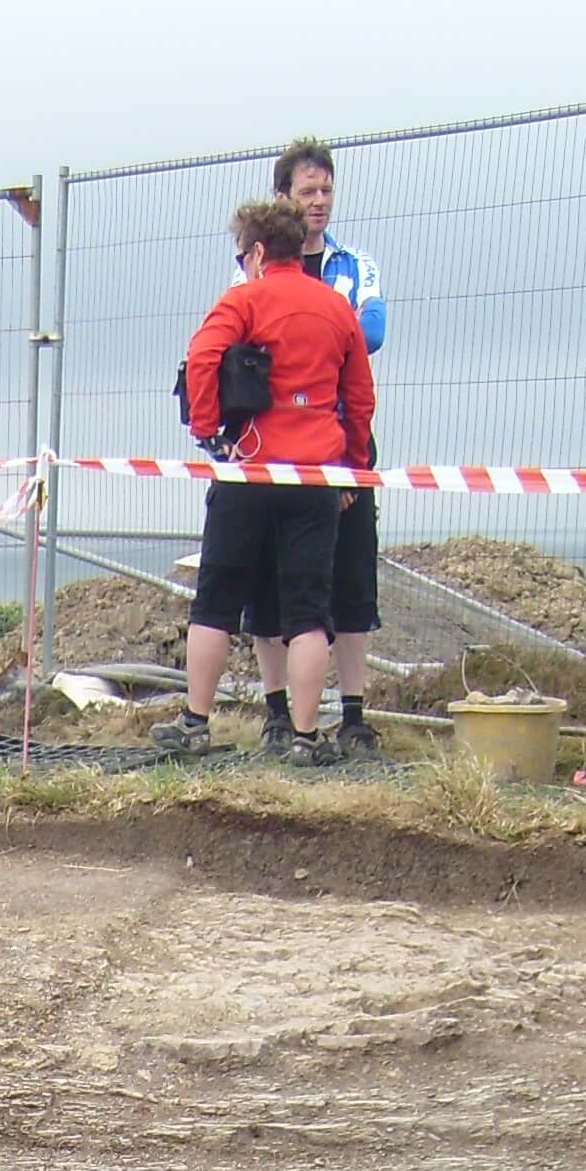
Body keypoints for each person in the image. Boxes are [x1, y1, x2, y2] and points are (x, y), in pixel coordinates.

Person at [155, 197, 373, 765]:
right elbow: (359, 398)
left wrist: (209, 433)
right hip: (315, 472)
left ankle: (194, 722)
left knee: (216, 601)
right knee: (309, 610)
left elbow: (201, 356)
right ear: (296, 246)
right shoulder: (334, 307)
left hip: (248, 467)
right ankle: (305, 737)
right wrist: (350, 465)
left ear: (255, 252)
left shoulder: (243, 299)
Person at [244, 140, 386, 755]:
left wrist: (307, 329)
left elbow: (370, 332)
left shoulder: (355, 263)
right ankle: (277, 712)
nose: (319, 202)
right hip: (271, 442)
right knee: (268, 580)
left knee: (351, 574)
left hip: (341, 436)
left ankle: (353, 713)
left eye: (327, 190)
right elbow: (241, 343)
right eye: (307, 191)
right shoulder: (248, 266)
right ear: (283, 197)